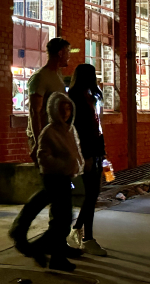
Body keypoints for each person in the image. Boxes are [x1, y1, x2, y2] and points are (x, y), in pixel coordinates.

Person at [9, 38, 74, 260]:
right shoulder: (41, 77)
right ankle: (20, 229)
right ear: (58, 53)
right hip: (45, 141)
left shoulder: (56, 76)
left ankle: (57, 242)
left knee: (58, 192)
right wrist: (37, 143)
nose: (69, 56)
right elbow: (35, 112)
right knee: (52, 189)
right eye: (67, 52)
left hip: (57, 138)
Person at [36, 92, 85, 271]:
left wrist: (78, 165)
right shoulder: (49, 132)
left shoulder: (69, 129)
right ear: (54, 110)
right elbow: (43, 156)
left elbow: (75, 149)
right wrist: (62, 165)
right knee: (60, 219)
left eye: (68, 109)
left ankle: (59, 247)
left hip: (66, 177)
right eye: (62, 109)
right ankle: (56, 257)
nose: (65, 112)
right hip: (54, 178)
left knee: (65, 216)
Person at [66, 64, 108, 256]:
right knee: (91, 194)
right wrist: (87, 156)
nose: (97, 80)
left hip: (96, 150)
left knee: (94, 193)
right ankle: (86, 237)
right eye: (94, 76)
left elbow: (97, 127)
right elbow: (80, 131)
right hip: (88, 153)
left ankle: (79, 231)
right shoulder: (75, 98)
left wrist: (102, 151)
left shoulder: (90, 97)